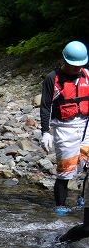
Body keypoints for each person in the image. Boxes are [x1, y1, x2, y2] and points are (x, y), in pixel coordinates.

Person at [40, 41, 89, 215]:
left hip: (85, 125)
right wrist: (45, 132)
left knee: (87, 165)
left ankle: (84, 197)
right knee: (65, 171)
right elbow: (45, 106)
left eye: (80, 65)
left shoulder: (87, 75)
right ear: (65, 60)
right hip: (64, 128)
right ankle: (60, 206)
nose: (77, 68)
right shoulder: (52, 78)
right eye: (73, 65)